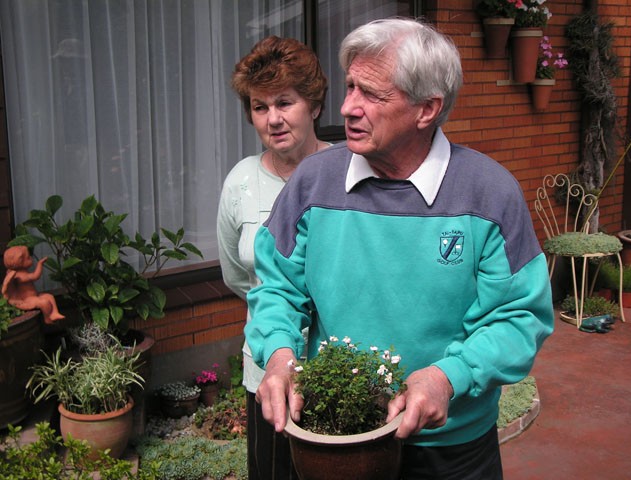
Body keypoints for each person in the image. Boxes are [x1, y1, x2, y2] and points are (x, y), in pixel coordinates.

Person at [245, 18, 554, 480]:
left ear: (427, 109)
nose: (348, 107)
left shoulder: (490, 193)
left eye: (371, 94)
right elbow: (276, 289)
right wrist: (278, 357)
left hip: (451, 450)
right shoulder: (312, 182)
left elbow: (519, 317)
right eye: (350, 86)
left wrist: (449, 377)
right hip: (339, 443)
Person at [217, 35, 328, 480]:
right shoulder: (240, 183)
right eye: (260, 107)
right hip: (266, 374)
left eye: (285, 102)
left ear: (313, 105)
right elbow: (238, 277)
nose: (273, 118)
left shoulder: (346, 173)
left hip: (337, 367)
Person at [2, 245, 65, 324]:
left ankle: (54, 313)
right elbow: (35, 276)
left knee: (50, 296)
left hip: (34, 296)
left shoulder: (23, 272)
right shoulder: (19, 276)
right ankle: (47, 318)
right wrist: (40, 264)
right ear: (20, 261)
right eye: (28, 258)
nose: (31, 259)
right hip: (28, 299)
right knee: (44, 303)